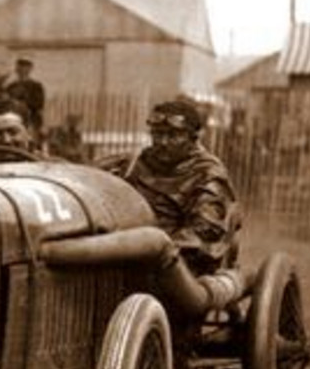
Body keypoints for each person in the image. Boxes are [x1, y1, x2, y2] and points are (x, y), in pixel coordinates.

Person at [100, 97, 240, 276]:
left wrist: (152, 250)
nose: (163, 142)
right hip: (126, 253)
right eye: (158, 134)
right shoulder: (133, 163)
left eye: (173, 135)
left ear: (192, 138)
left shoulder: (208, 174)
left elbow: (204, 232)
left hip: (178, 267)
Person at [5, 55, 46, 136]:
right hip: (12, 118)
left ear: (30, 69)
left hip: (31, 119)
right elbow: (5, 100)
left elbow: (39, 104)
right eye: (20, 66)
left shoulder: (36, 86)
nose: (22, 69)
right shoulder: (10, 87)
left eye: (25, 66)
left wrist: (23, 104)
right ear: (16, 69)